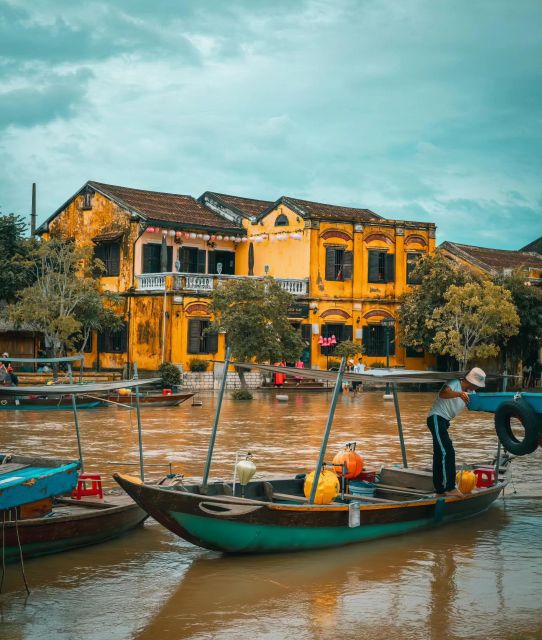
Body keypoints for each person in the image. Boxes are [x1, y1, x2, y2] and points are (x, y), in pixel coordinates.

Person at [427, 367, 486, 497]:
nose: (477, 388)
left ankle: (440, 490)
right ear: (472, 382)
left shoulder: (471, 394)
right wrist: (459, 393)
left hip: (444, 422)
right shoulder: (455, 383)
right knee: (447, 452)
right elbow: (443, 393)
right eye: (477, 385)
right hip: (436, 418)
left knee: (440, 454)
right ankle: (449, 487)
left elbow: (479, 405)